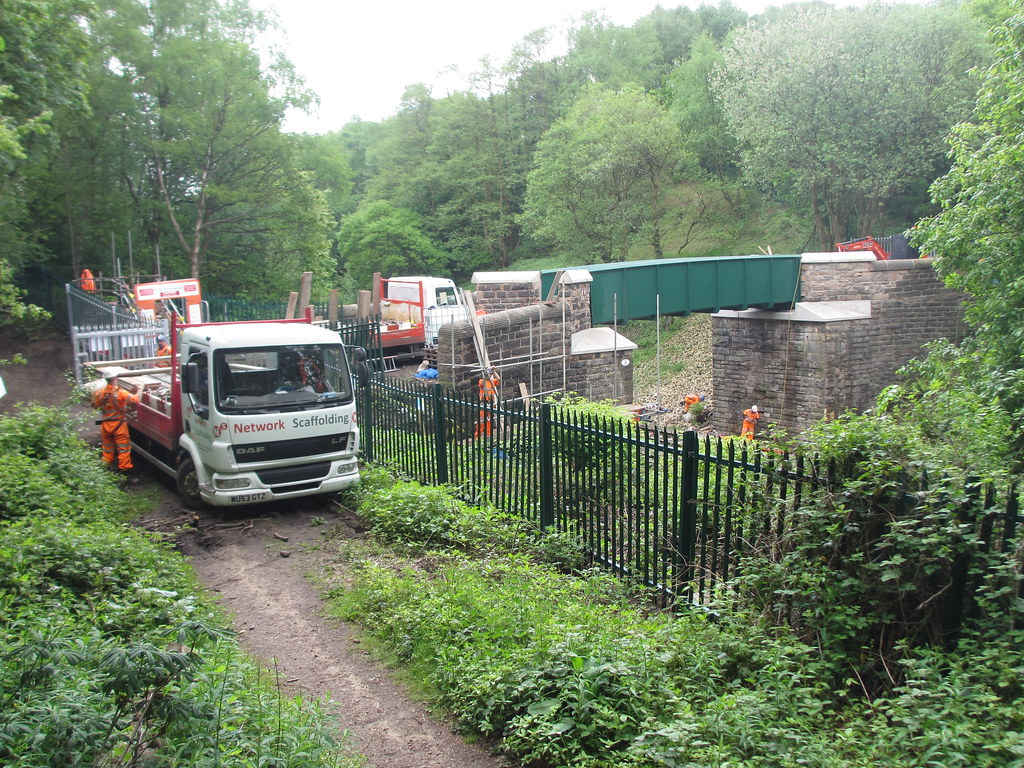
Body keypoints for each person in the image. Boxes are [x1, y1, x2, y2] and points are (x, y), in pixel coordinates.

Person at [91, 372, 140, 478]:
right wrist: (140, 390)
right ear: (115, 379)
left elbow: (95, 405)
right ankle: (125, 472)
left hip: (105, 426)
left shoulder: (100, 393)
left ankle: (105, 471)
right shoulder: (120, 393)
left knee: (107, 450)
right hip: (119, 426)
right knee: (123, 450)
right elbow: (135, 400)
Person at [474, 366, 500, 438]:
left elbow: (498, 378)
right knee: (482, 420)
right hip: (484, 402)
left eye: (491, 374)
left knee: (489, 419)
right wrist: (486, 373)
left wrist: (493, 371)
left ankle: (488, 434)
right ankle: (477, 435)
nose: (490, 375)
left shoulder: (492, 382)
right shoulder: (482, 381)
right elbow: (483, 385)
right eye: (489, 374)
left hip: (490, 402)